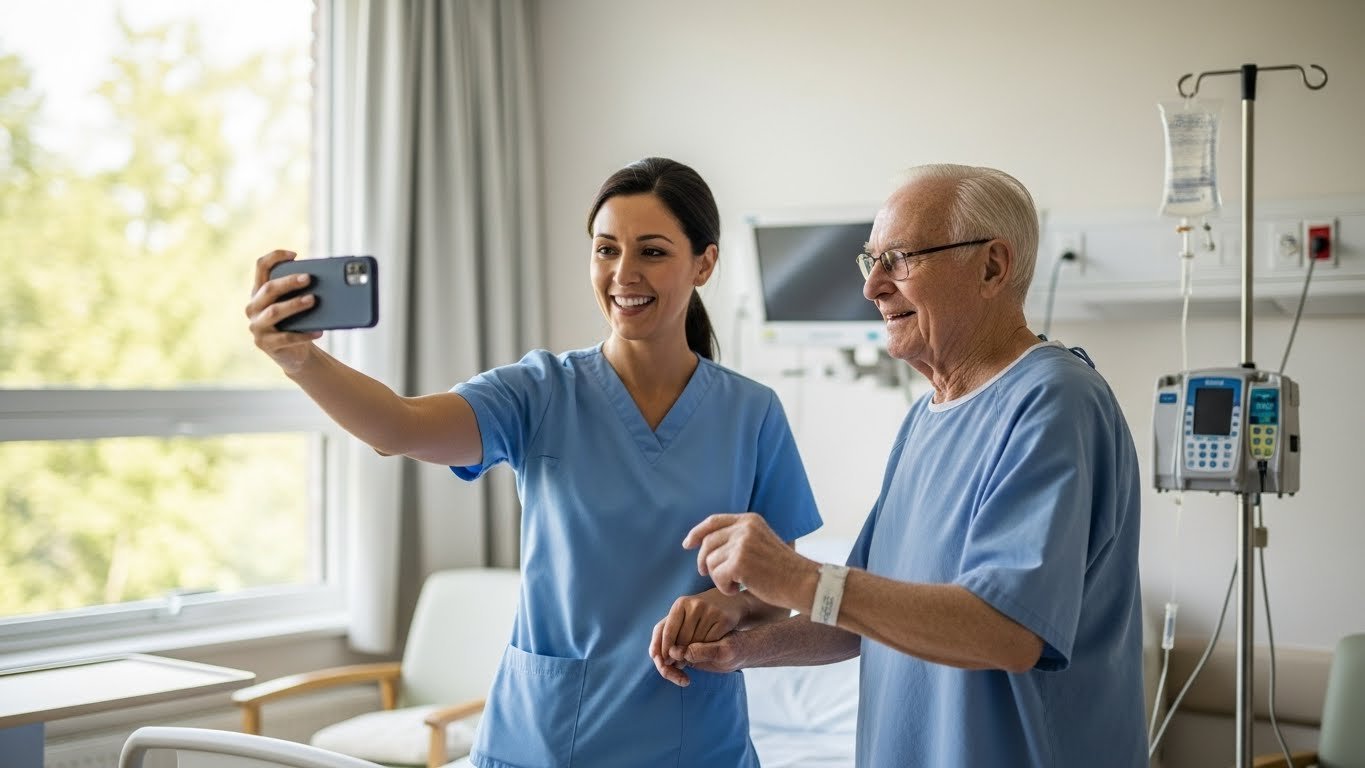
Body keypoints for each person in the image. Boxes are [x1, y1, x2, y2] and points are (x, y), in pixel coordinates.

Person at [245, 156, 822, 767]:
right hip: (545, 741)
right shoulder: (539, 391)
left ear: (704, 263)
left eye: (652, 251)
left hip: (694, 741)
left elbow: (776, 594)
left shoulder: (751, 413)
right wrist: (300, 361)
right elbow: (398, 428)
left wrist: (728, 607)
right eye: (606, 250)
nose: (624, 273)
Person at [665, 164, 1147, 767]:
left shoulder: (1054, 402)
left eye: (900, 259)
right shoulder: (929, 416)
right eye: (872, 261)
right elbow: (854, 618)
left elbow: (1009, 631)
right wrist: (743, 651)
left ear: (992, 267)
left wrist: (796, 575)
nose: (872, 288)